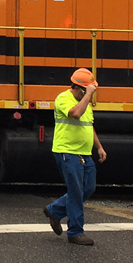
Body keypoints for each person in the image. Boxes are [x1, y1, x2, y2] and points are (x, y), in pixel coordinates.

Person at [43, 68, 108, 245]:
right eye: (89, 91)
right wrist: (88, 96)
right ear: (78, 88)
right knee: (76, 191)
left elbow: (88, 126)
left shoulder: (85, 103)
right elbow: (75, 114)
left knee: (89, 187)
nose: (91, 95)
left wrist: (99, 147)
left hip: (84, 153)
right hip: (67, 152)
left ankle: (55, 210)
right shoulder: (63, 98)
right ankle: (75, 232)